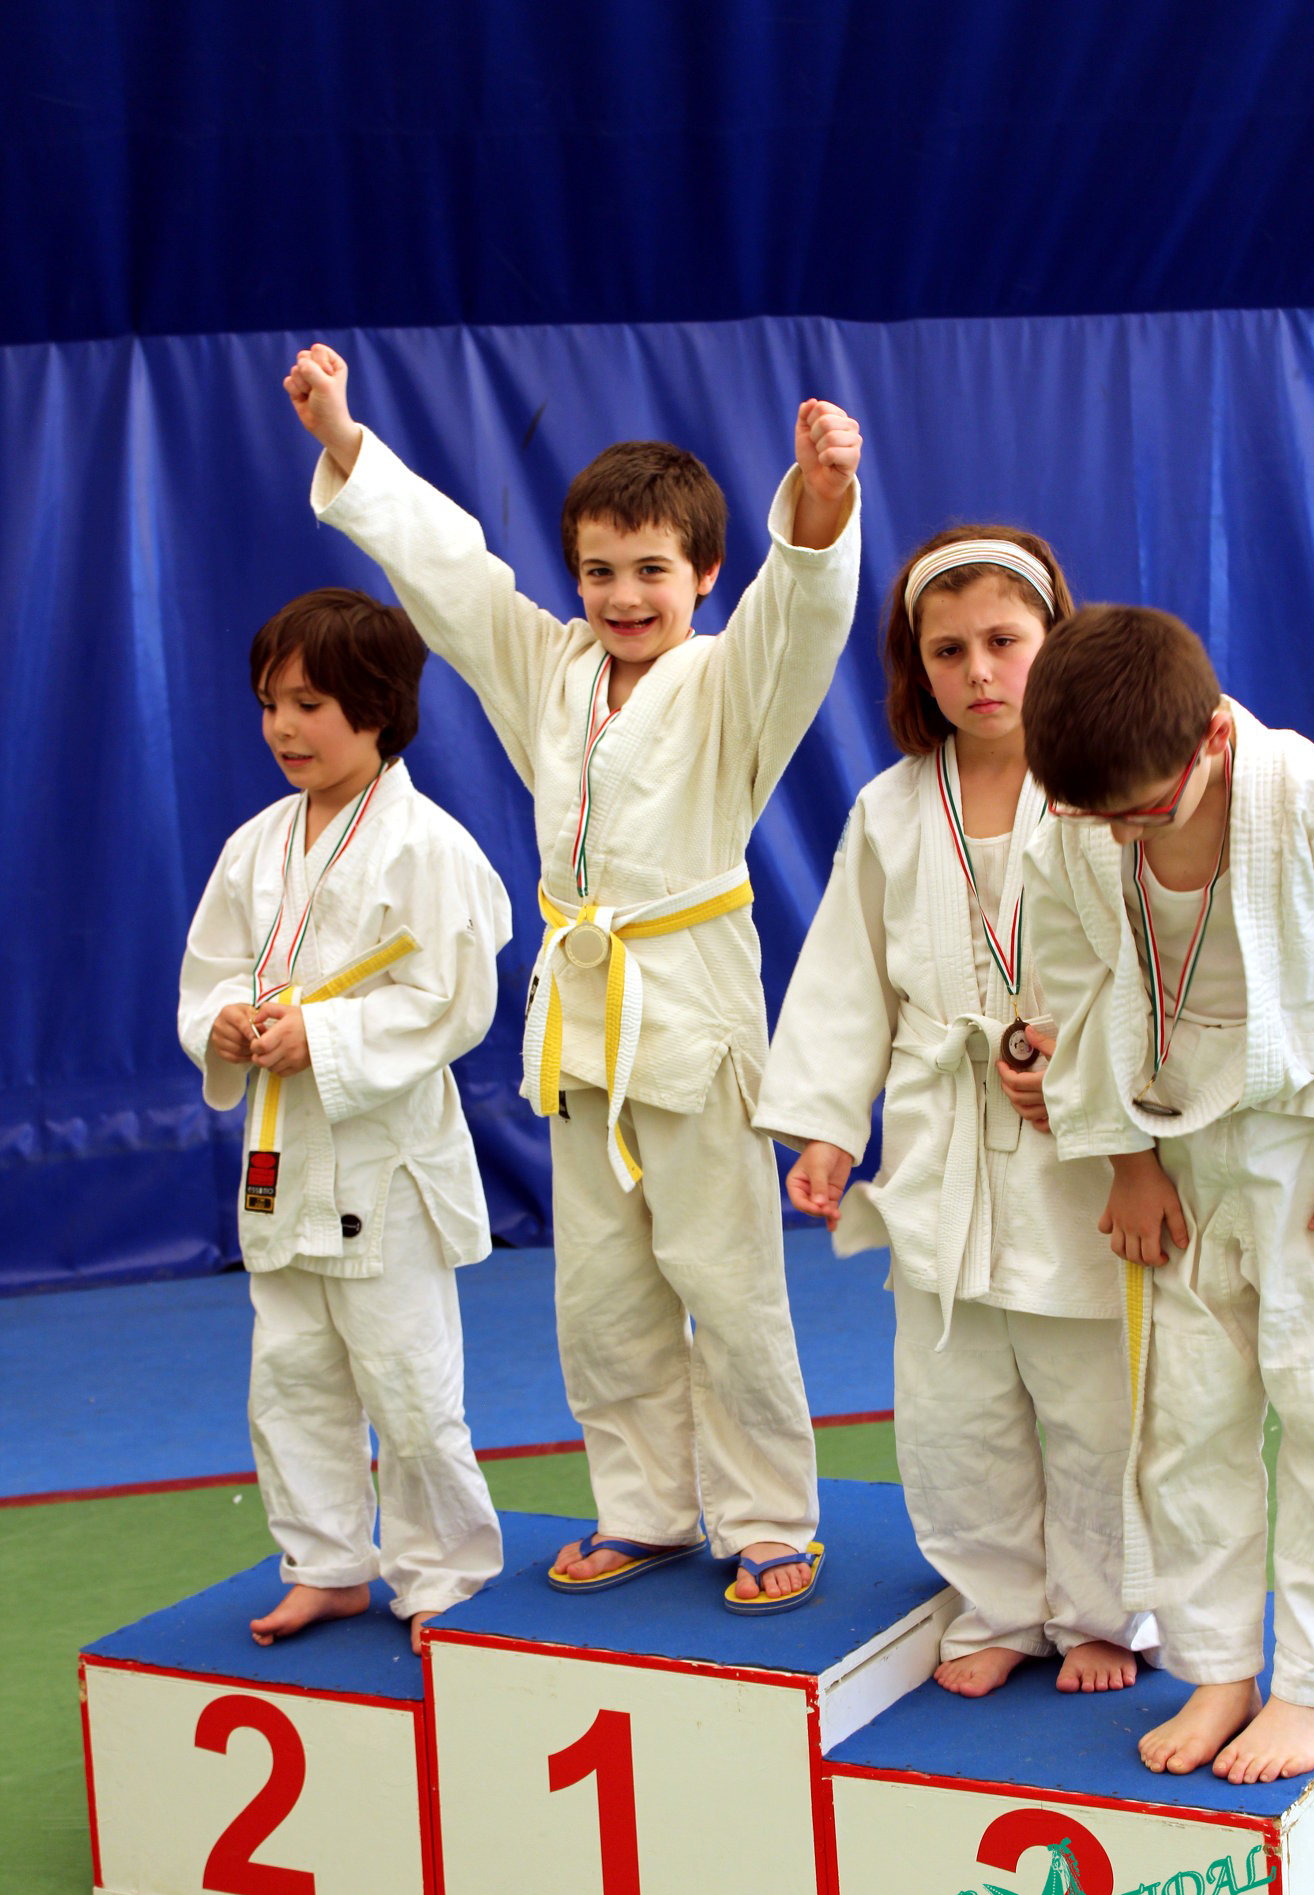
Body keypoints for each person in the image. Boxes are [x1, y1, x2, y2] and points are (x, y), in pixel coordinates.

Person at [281, 343, 862, 1609]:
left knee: (728, 1274)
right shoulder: (549, 667)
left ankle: (769, 1513)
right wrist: (346, 441)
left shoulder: (731, 681)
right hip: (584, 1018)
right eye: (599, 569)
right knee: (600, 1288)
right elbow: (450, 575)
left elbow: (806, 613)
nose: (623, 593)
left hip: (693, 1002)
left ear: (707, 575)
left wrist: (819, 499)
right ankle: (646, 1503)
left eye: (653, 569)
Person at [756, 529, 1142, 1693]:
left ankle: (1105, 1609)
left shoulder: (1105, 789)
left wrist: (1083, 1064)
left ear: (1056, 640)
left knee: (1092, 1395)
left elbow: (1154, 963)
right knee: (950, 1396)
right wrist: (828, 1123)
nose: (980, 670)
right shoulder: (887, 807)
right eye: (950, 649)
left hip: (1074, 1133)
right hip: (938, 1128)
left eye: (1005, 642)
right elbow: (846, 976)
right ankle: (992, 1602)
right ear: (915, 668)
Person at [1023, 603, 1314, 1781]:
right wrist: (1124, 1154)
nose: (1117, 834)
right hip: (1172, 1126)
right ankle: (1219, 1662)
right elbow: (1066, 979)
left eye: (1141, 810)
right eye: (1094, 816)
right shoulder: (1075, 827)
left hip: (1309, 1130)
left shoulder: (1313, 801)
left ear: (1214, 736)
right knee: (1187, 1415)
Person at [178, 587, 511, 1654]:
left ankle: (442, 1569)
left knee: (408, 1381)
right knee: (290, 1375)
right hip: (281, 1150)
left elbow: (455, 1001)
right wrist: (224, 1022)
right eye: (272, 702)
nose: (284, 726)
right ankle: (323, 1559)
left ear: (377, 707)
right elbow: (211, 968)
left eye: (311, 702)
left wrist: (324, 1039)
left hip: (383, 1161)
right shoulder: (255, 844)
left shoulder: (429, 845)